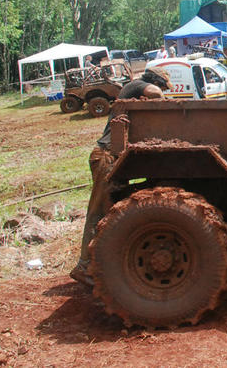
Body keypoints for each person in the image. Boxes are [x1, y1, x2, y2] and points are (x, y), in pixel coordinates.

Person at [71, 67, 172, 285]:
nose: (162, 91)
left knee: (112, 211)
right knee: (98, 210)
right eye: (163, 86)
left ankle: (102, 264)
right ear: (154, 82)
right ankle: (83, 266)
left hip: (112, 156)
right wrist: (163, 100)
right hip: (106, 156)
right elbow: (155, 93)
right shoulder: (135, 86)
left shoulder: (133, 92)